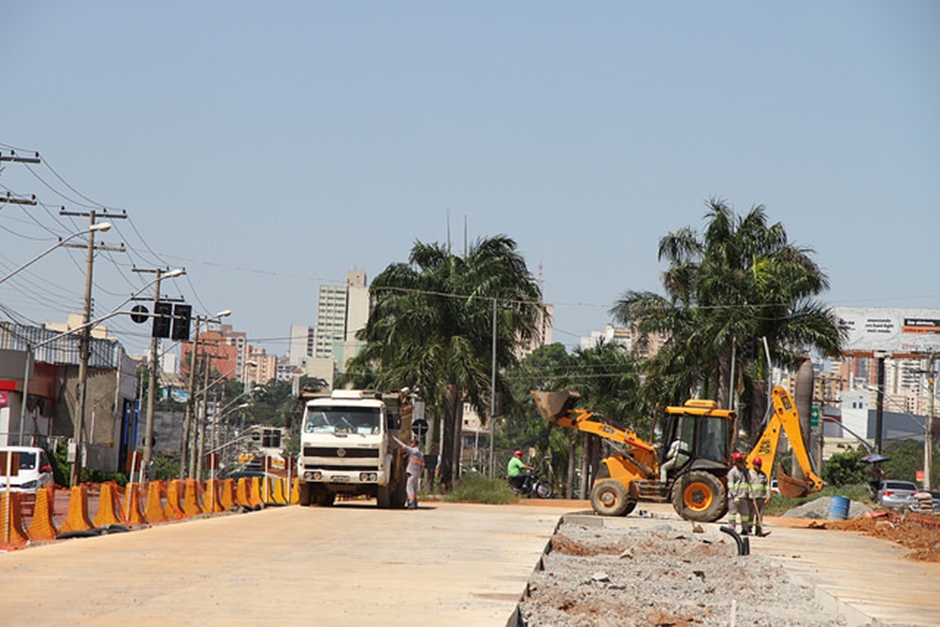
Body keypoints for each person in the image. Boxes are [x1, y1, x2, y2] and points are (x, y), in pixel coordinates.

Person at [394, 437, 424, 509]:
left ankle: (411, 504)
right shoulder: (421, 454)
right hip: (417, 473)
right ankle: (415, 503)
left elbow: (402, 445)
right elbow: (422, 465)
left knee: (409, 489)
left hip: (411, 473)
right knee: (414, 489)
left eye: (411, 443)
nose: (410, 444)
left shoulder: (412, 451)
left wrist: (394, 438)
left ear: (414, 444)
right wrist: (420, 473)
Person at [727, 452, 751, 535]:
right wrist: (734, 496)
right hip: (734, 497)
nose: (741, 463)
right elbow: (730, 485)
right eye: (739, 461)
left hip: (743, 496)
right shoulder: (732, 472)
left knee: (745, 514)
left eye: (741, 461)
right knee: (732, 514)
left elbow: (749, 480)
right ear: (735, 462)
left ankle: (745, 529)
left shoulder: (745, 472)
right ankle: (731, 529)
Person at [748, 456, 770, 537]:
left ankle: (758, 530)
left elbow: (767, 486)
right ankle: (749, 529)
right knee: (750, 515)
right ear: (753, 465)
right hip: (752, 497)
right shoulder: (749, 474)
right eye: (756, 464)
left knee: (759, 516)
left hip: (761, 497)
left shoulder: (763, 475)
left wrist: (768, 496)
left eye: (759, 465)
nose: (758, 466)